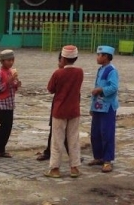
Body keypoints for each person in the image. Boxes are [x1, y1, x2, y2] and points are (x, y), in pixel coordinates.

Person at [44, 45, 84, 179]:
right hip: (74, 109)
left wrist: (60, 69)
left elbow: (50, 89)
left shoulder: (58, 73)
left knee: (57, 140)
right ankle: (74, 167)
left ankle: (55, 168)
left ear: (63, 58)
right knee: (73, 139)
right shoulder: (80, 72)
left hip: (59, 110)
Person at [89, 44, 119, 173]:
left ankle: (107, 160)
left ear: (105, 57)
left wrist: (101, 89)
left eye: (99, 55)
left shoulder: (112, 70)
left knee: (107, 133)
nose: (97, 57)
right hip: (97, 106)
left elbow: (113, 87)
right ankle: (98, 156)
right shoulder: (101, 69)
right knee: (95, 133)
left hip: (108, 107)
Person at [36, 53, 69, 162]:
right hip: (66, 104)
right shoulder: (77, 72)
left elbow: (51, 88)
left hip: (60, 104)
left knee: (62, 130)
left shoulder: (60, 73)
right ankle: (50, 152)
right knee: (60, 130)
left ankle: (58, 155)